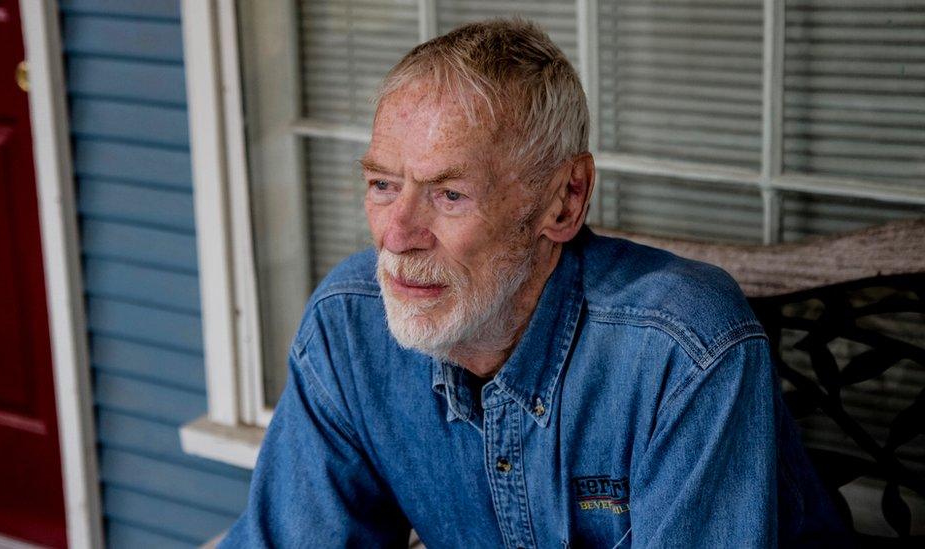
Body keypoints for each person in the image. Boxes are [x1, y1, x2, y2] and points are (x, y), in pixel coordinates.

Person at [221, 19, 847, 548]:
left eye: (450, 193)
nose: (397, 233)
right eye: (383, 185)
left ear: (565, 201)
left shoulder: (682, 350)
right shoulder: (347, 327)